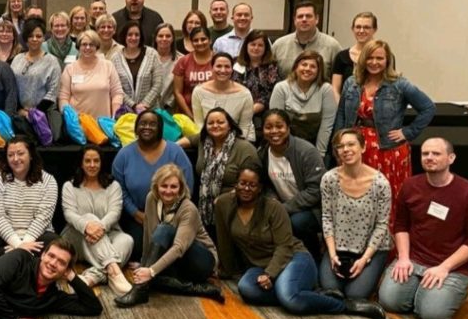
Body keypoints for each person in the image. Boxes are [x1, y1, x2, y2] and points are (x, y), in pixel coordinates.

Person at [215, 167, 385, 319]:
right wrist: (227, 269)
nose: (246, 188)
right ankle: (310, 294)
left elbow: (285, 246)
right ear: (235, 184)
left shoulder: (273, 208)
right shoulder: (223, 204)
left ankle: (343, 305)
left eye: (252, 185)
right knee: (246, 289)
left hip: (294, 258)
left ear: (260, 188)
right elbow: (224, 240)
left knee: (291, 300)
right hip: (261, 265)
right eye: (242, 183)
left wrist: (270, 275)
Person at [378, 138, 468, 319]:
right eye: (425, 153)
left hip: (452, 267)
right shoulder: (410, 186)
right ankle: (423, 290)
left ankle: (443, 293)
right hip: (414, 260)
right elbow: (401, 225)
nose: (429, 157)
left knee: (433, 315)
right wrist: (403, 258)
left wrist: (444, 267)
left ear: (451, 158)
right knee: (390, 302)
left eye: (436, 154)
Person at [334, 39, 434, 203]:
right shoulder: (351, 83)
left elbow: (428, 108)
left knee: (386, 197)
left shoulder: (399, 84)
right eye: (370, 58)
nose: (374, 62)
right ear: (363, 59)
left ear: (387, 60)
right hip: (356, 147)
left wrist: (407, 132)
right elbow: (341, 116)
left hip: (387, 148)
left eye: (379, 58)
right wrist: (338, 145)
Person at [114, 164, 222, 306]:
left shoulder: (188, 208)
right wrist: (145, 264)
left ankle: (139, 291)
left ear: (181, 188)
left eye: (173, 187)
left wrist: (151, 271)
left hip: (201, 260)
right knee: (153, 279)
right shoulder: (151, 199)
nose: (168, 191)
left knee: (164, 229)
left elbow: (179, 247)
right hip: (177, 261)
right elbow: (150, 235)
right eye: (164, 186)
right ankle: (201, 289)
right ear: (156, 186)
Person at [112, 110, 195, 261]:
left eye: (152, 124)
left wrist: (170, 217)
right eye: (143, 123)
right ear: (136, 128)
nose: (147, 127)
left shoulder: (176, 152)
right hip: (138, 217)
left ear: (160, 128)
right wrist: (136, 213)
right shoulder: (124, 155)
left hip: (173, 217)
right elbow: (119, 190)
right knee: (137, 250)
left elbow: (187, 187)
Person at [319, 129, 391, 300]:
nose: (346, 149)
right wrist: (332, 255)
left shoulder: (380, 183)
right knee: (331, 291)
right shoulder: (329, 179)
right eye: (340, 146)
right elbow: (327, 218)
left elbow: (382, 225)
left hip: (371, 248)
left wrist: (365, 259)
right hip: (338, 248)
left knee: (355, 294)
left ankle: (378, 274)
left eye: (351, 144)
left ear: (363, 147)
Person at [59, 146, 132, 296]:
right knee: (89, 218)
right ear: (81, 163)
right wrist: (87, 226)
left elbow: (114, 213)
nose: (92, 165)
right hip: (75, 238)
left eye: (96, 161)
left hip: (107, 235)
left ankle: (90, 278)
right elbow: (69, 214)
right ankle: (113, 269)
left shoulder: (113, 186)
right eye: (87, 161)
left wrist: (100, 228)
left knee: (127, 240)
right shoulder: (69, 186)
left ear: (101, 163)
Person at [0, 137, 59, 263]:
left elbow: (43, 217)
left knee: (55, 245)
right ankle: (26, 262)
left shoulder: (48, 181)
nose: (15, 159)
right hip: (1, 236)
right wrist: (18, 245)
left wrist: (24, 244)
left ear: (31, 155)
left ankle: (15, 262)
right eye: (10, 155)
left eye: (20, 153)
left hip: (35, 236)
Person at [260, 109, 326, 259]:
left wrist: (284, 208)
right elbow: (266, 185)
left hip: (313, 209)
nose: (274, 131)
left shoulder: (306, 151)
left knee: (296, 222)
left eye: (279, 126)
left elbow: (315, 190)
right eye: (268, 127)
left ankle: (313, 258)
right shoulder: (263, 153)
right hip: (283, 207)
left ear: (288, 128)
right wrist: (274, 202)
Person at [188, 108, 259, 236]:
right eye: (210, 123)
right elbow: (188, 140)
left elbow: (254, 182)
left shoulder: (244, 148)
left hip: (236, 203)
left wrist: (225, 200)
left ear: (229, 125)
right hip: (205, 206)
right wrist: (170, 147)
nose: (215, 126)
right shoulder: (204, 141)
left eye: (220, 122)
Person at [269, 50, 336, 157]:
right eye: (304, 65)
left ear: (319, 71)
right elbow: (276, 123)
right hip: (286, 144)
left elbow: (326, 125)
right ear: (296, 67)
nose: (307, 69)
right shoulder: (281, 88)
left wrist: (319, 154)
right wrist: (283, 150)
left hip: (316, 145)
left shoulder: (326, 89)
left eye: (313, 66)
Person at [58, 29, 123, 120]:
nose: (87, 47)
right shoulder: (70, 69)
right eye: (84, 44)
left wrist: (115, 115)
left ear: (96, 46)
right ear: (78, 47)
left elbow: (117, 93)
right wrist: (70, 119)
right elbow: (63, 97)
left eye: (91, 45)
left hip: (104, 124)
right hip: (77, 125)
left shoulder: (108, 66)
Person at [191, 53, 254, 139]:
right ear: (212, 68)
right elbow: (199, 124)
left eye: (227, 67)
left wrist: (229, 147)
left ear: (232, 69)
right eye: (219, 66)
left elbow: (244, 127)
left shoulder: (244, 94)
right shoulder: (199, 91)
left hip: (240, 140)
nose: (223, 70)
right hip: (207, 139)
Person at [272, 1, 342, 78]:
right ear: (295, 20)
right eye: (300, 16)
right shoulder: (279, 45)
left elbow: (340, 79)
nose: (304, 19)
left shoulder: (332, 46)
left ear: (317, 19)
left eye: (308, 16)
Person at [11, 18, 61, 118]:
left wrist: (34, 113)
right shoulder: (17, 59)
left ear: (43, 38)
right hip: (19, 114)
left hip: (43, 116)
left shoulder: (52, 61)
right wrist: (20, 110)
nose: (34, 39)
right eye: (31, 36)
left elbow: (53, 91)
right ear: (26, 38)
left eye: (38, 36)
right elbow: (11, 87)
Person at [232, 30, 280, 132]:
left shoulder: (271, 66)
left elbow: (271, 92)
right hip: (236, 109)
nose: (256, 48)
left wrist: (253, 109)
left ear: (265, 48)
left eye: (260, 45)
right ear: (246, 46)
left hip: (261, 113)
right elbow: (231, 86)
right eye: (253, 44)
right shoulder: (235, 63)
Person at [112, 20, 163, 114]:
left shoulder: (152, 54)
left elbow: (158, 84)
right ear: (124, 36)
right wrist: (134, 106)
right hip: (125, 113)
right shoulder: (115, 58)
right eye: (130, 34)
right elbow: (116, 88)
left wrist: (144, 105)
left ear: (141, 36)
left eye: (137, 34)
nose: (133, 38)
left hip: (151, 111)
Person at [330, 11, 380, 98]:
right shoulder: (341, 57)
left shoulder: (384, 56)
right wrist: (341, 109)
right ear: (352, 29)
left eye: (366, 27)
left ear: (374, 30)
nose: (361, 31)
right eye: (358, 27)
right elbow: (335, 89)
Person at [172, 25, 214, 119]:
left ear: (210, 40)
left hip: (214, 113)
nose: (200, 43)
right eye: (195, 40)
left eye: (203, 39)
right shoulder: (183, 61)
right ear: (191, 43)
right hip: (187, 114)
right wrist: (190, 116)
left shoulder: (218, 59)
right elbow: (177, 92)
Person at [152, 23, 178, 111]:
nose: (164, 39)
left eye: (168, 36)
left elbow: (179, 89)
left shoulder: (180, 60)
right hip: (149, 106)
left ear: (173, 38)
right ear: (155, 38)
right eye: (160, 36)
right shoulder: (147, 57)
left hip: (171, 109)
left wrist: (169, 105)